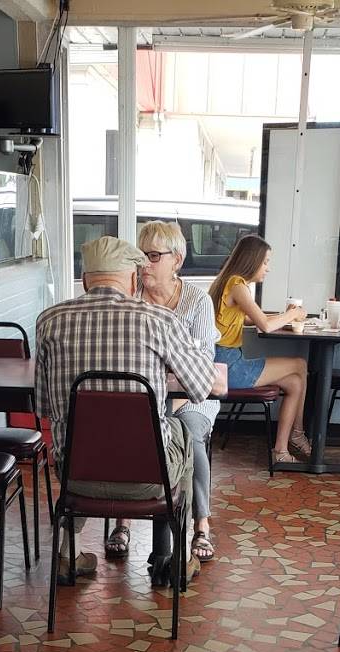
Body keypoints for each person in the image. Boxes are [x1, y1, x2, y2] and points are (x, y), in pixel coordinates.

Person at [35, 235, 223, 586]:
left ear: (85, 279)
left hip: (76, 477)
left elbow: (44, 407)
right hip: (148, 480)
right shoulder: (160, 320)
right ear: (134, 279)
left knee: (77, 437)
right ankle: (177, 555)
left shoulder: (49, 321)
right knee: (182, 433)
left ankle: (68, 551)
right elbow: (200, 387)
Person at [106, 220, 220, 566]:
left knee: (189, 433)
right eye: (140, 256)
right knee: (125, 432)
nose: (145, 264)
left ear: (177, 260)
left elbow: (203, 364)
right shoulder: (130, 298)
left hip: (191, 399)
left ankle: (201, 524)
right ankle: (123, 521)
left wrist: (169, 391)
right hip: (144, 398)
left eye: (154, 256)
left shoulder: (197, 301)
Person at [209, 235, 311, 461]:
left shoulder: (227, 281)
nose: (268, 268)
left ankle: (281, 451)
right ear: (251, 260)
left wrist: (284, 315)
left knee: (295, 382)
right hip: (227, 366)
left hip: (221, 363)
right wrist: (293, 314)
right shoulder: (237, 285)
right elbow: (264, 325)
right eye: (265, 262)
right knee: (300, 364)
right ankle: (298, 434)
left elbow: (249, 319)